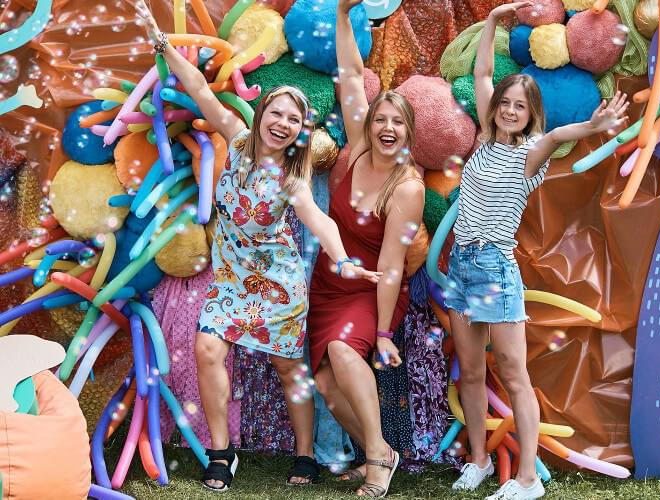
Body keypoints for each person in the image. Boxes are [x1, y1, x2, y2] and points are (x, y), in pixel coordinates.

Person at [136, 3, 381, 492]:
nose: (284, 123)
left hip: (278, 283)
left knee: (290, 367)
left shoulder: (292, 178)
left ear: (297, 132)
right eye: (278, 113)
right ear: (263, 112)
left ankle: (305, 453)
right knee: (208, 347)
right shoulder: (238, 137)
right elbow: (202, 91)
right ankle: (222, 454)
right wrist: (163, 44)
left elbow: (318, 220)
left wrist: (342, 259)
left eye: (294, 119)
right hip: (230, 280)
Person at [447, 3, 629, 499]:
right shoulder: (484, 138)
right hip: (462, 265)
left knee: (512, 371)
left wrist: (594, 127)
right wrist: (490, 24)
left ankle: (528, 480)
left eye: (519, 106)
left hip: (494, 268)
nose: (509, 110)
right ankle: (481, 461)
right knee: (471, 369)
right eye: (504, 103)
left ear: (531, 114)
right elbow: (483, 70)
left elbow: (563, 135)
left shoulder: (530, 153)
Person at [306, 0, 425, 497]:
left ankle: (377, 459)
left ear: (408, 133)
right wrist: (341, 14)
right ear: (370, 124)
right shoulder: (355, 149)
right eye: (381, 120)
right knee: (329, 386)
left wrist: (380, 333)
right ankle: (384, 452)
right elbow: (352, 75)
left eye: (398, 123)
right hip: (328, 284)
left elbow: (395, 266)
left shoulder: (408, 187)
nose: (387, 129)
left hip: (374, 290)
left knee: (341, 348)